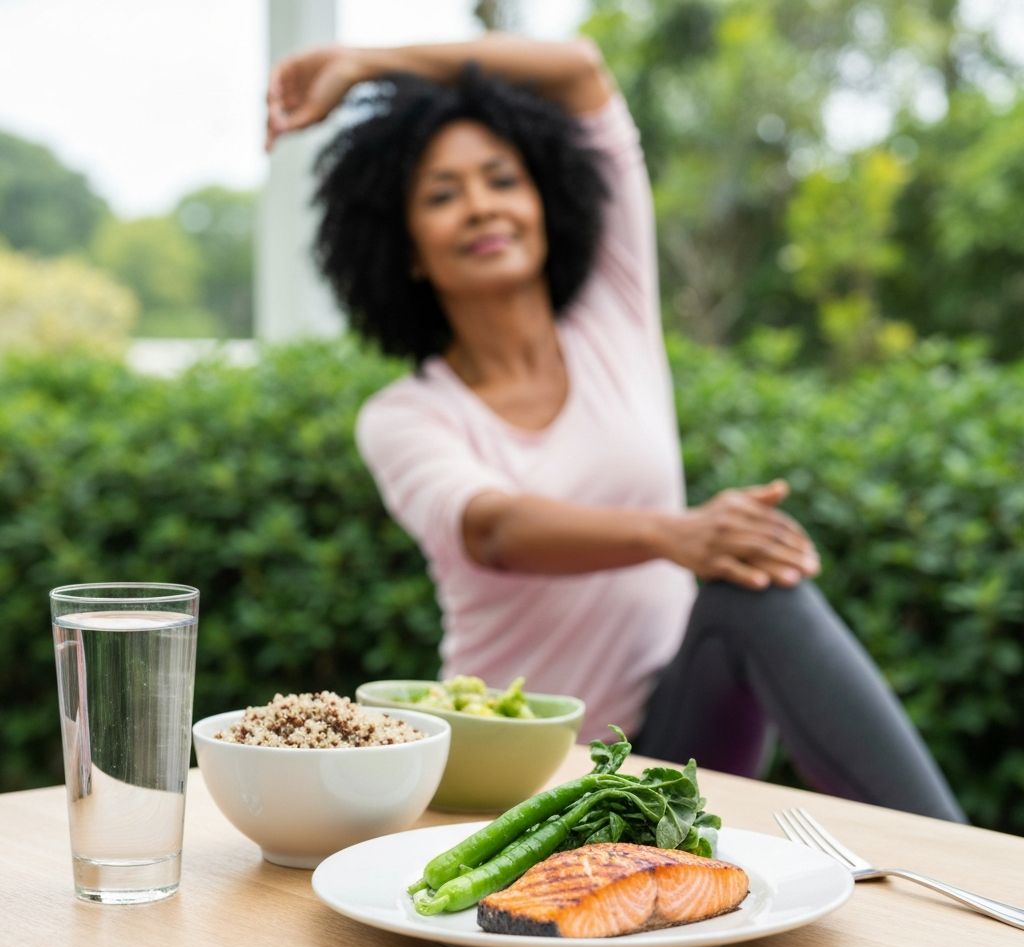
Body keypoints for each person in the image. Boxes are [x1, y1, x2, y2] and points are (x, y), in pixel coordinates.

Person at [265, 34, 965, 822]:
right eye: (442, 195)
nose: (483, 205)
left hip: (667, 746)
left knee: (758, 597)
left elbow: (581, 73)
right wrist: (672, 534)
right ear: (408, 251)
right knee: (730, 571)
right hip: (516, 774)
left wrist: (366, 65)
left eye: (502, 179)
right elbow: (492, 528)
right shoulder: (405, 415)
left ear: (544, 203)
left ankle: (973, 882)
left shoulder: (613, 307)